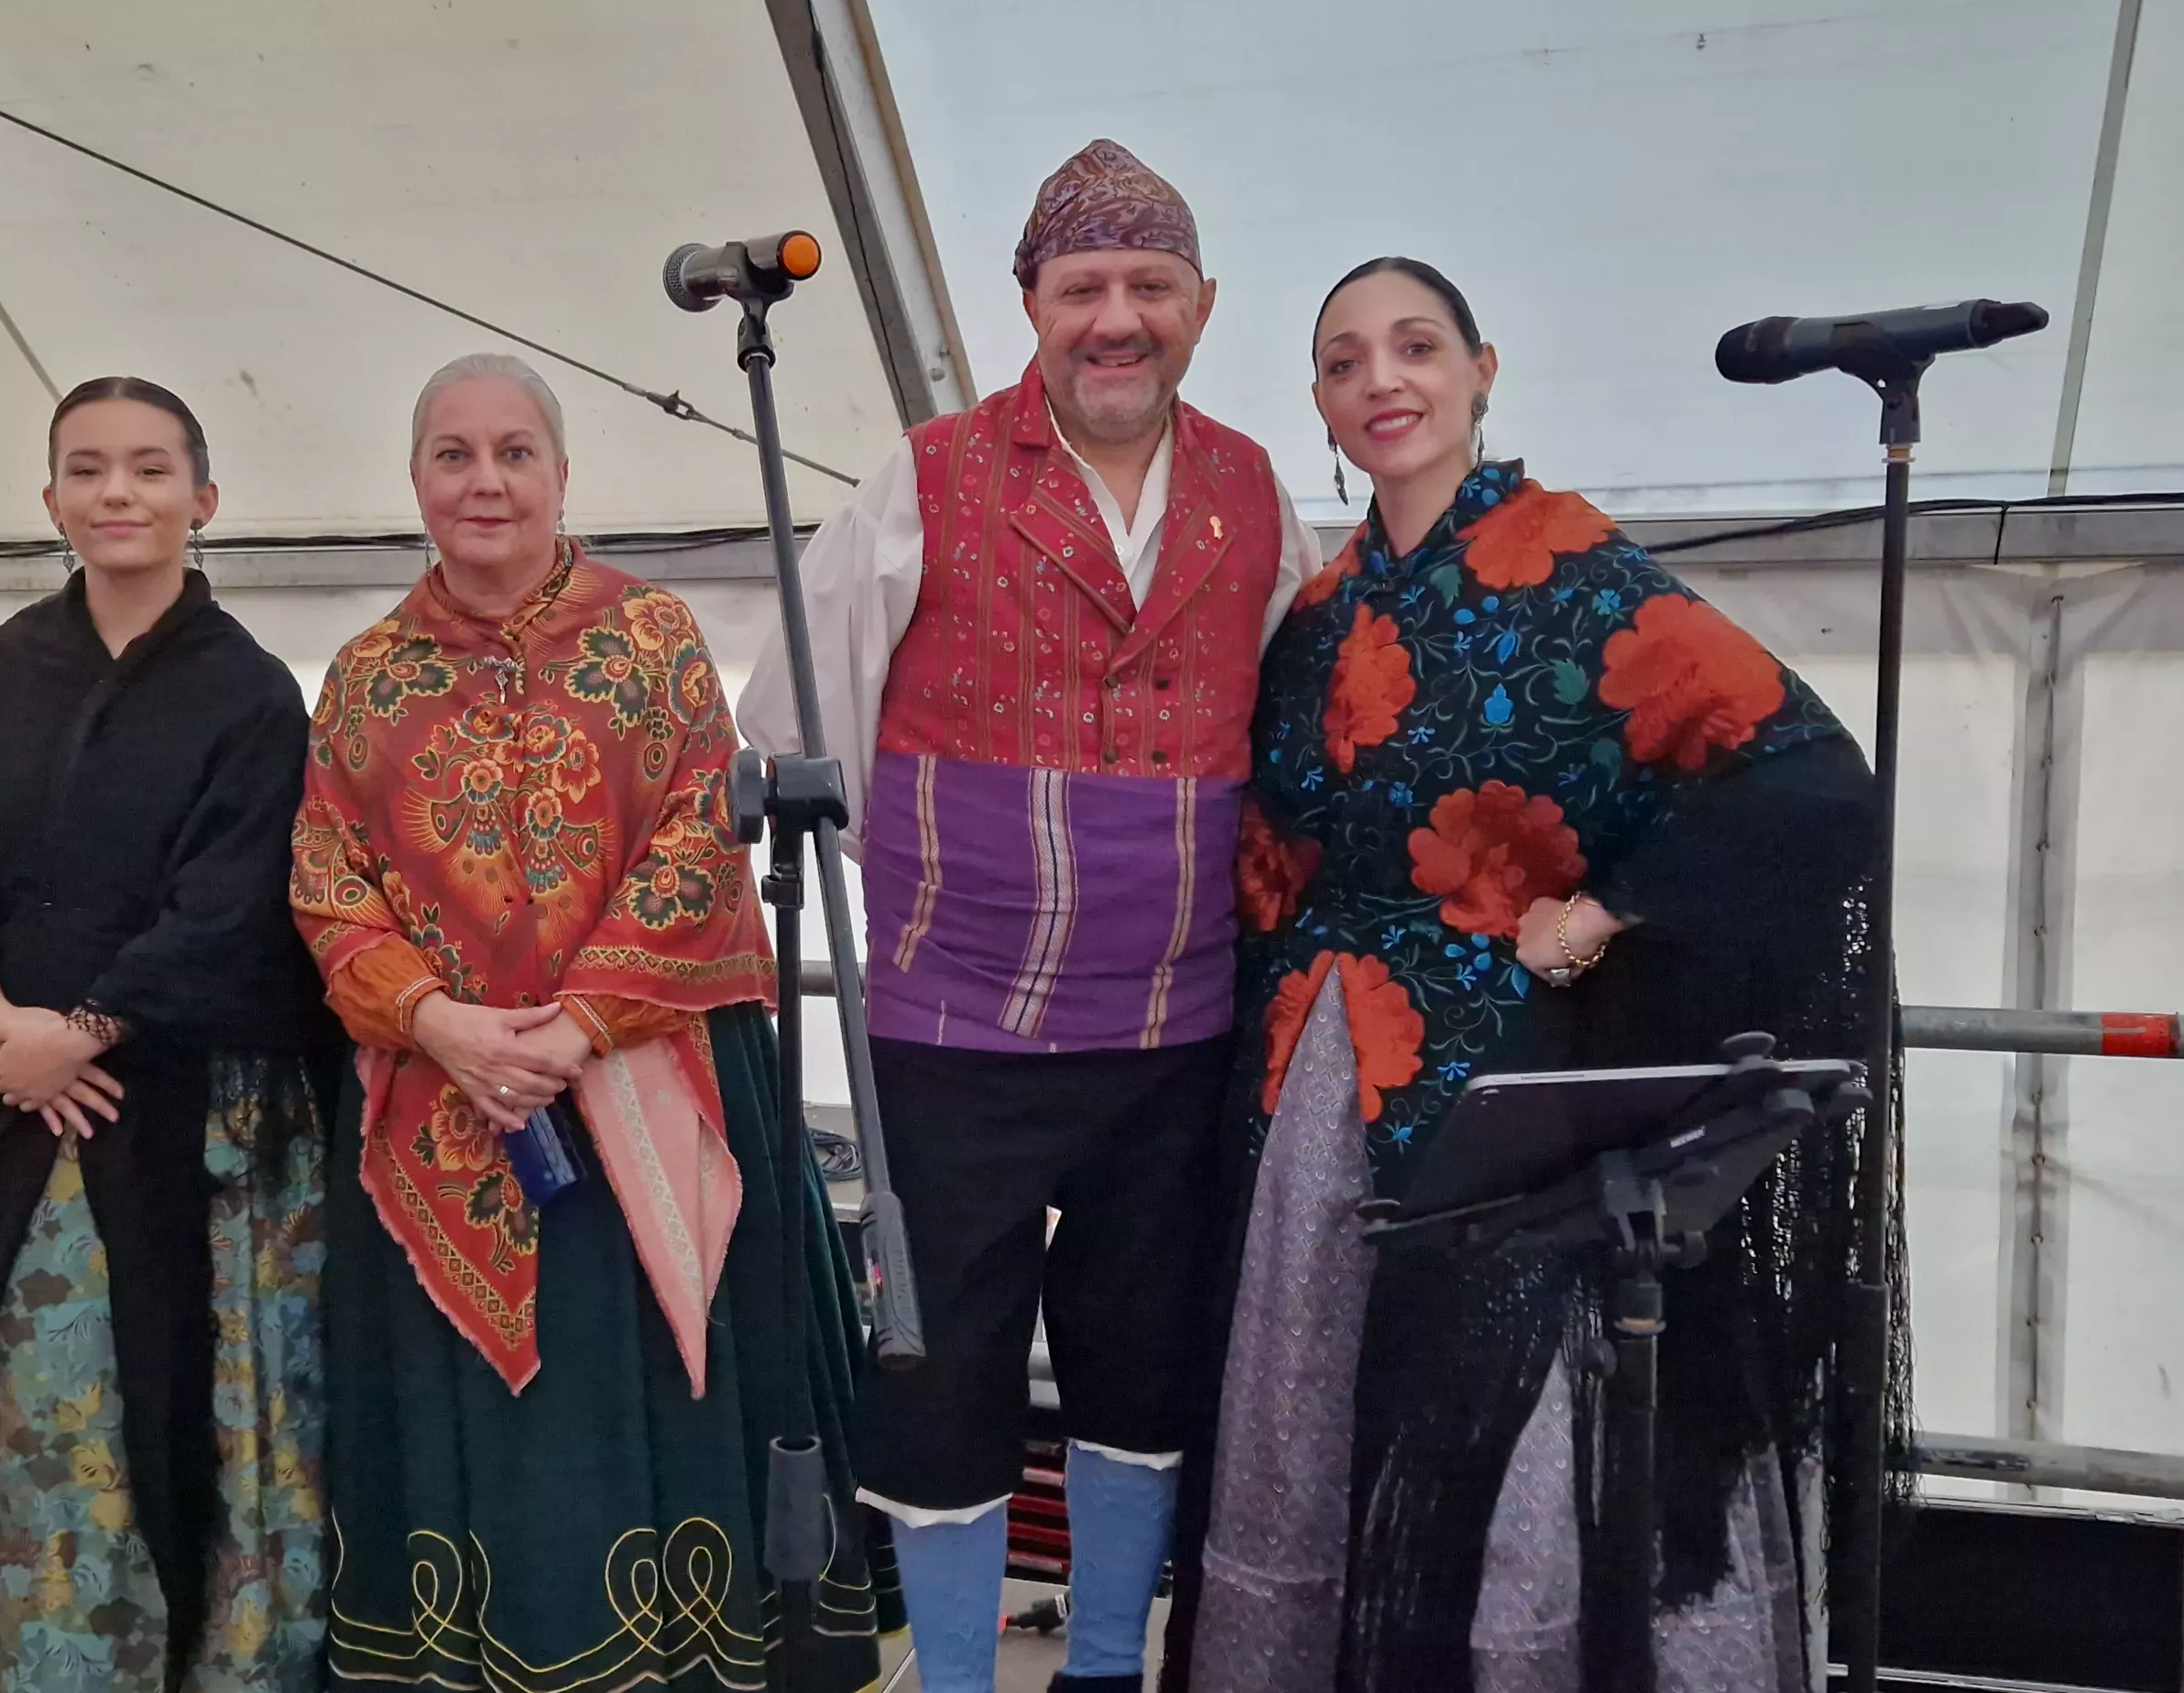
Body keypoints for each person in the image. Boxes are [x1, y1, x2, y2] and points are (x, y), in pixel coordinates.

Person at [1190, 259, 1887, 1693]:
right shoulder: (1313, 613)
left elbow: (1808, 781)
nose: (1381, 380)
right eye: (1343, 361)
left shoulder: (1579, 573)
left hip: (1508, 1089)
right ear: (1320, 404)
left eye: (1415, 346)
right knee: (1305, 1445)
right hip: (1316, 1098)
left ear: (1482, 370)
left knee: (1512, 1479)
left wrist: (1607, 913)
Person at [735, 140, 1322, 1693]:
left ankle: (1110, 1667)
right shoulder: (920, 479)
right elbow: (802, 726)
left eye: (1149, 288)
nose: (1115, 318)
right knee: (944, 1380)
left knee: (1146, 1365)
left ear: (1203, 307)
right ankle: (951, 1674)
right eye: (1084, 289)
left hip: (1174, 1036)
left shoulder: (1261, 494)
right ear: (1029, 307)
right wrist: (968, 875)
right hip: (952, 1035)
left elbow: (1304, 737)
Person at [293, 354, 887, 1692]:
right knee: (483, 1428)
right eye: (454, 454)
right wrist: (439, 1023)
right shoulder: (365, 680)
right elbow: (329, 884)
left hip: (640, 1093)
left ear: (565, 477)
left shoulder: (655, 637)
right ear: (417, 481)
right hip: (439, 1108)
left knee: (646, 1404)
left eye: (516, 452)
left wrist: (574, 1029)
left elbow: (699, 837)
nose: (485, 480)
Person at [0, 377, 338, 1692]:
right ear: (52, 498)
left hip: (177, 1119)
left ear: (204, 499)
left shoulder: (248, 695)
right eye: (88, 470)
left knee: (155, 1404)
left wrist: (84, 1031)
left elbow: (236, 897)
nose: (117, 494)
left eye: (148, 469)